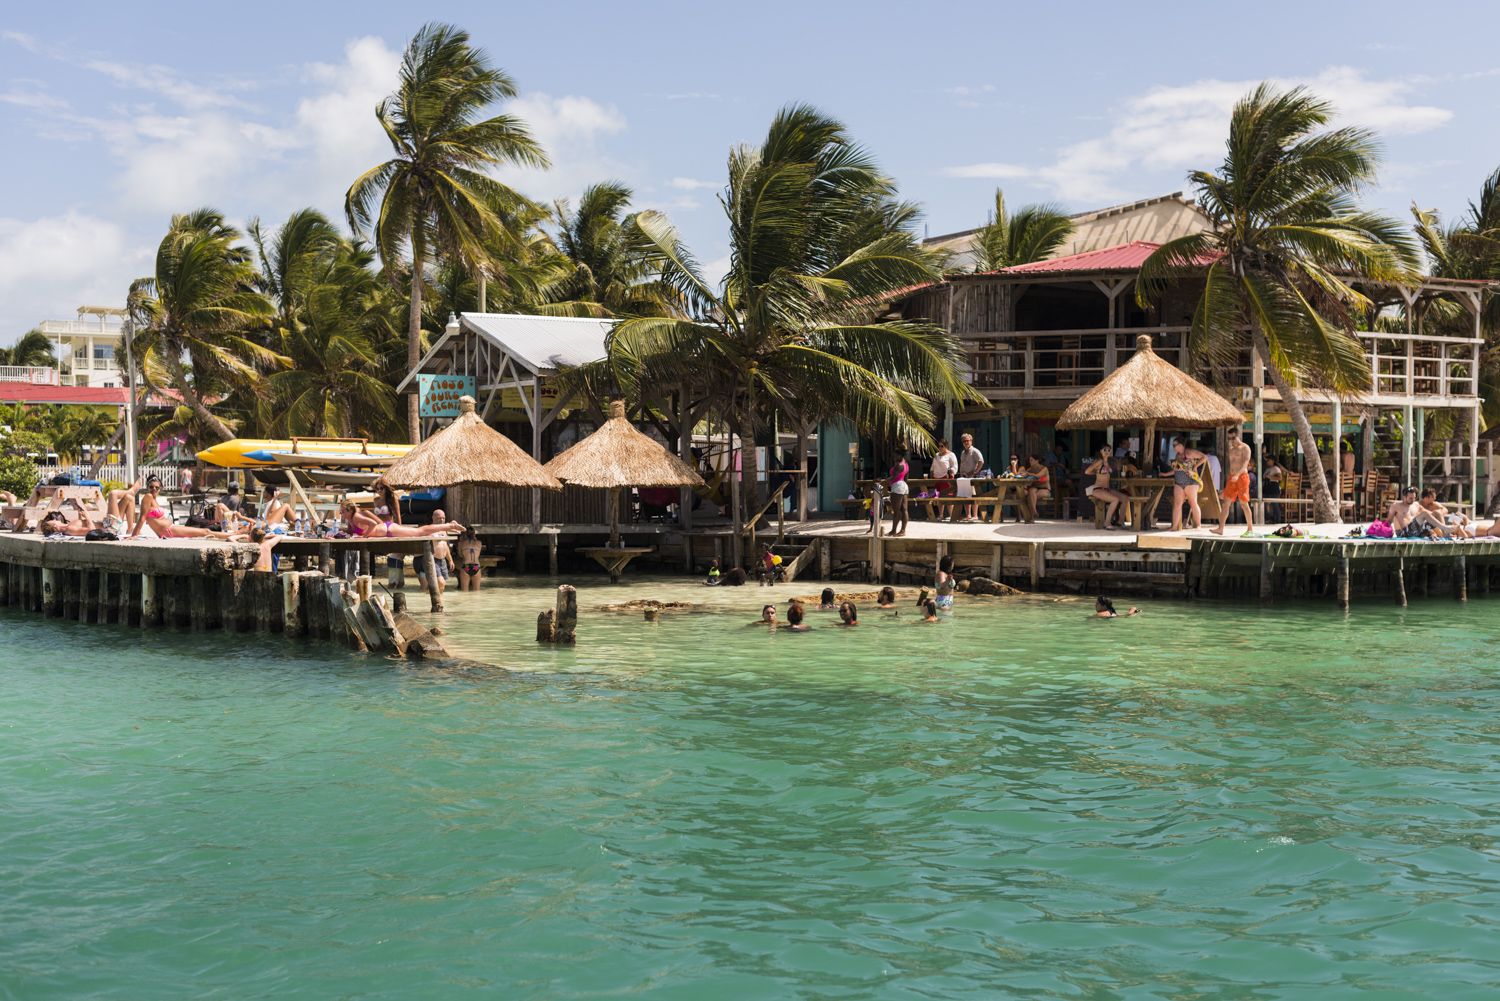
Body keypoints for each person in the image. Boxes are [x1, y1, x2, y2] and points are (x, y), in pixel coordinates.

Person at [130, 480, 246, 540]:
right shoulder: (148, 497)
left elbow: (155, 522)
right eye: (151, 487)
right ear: (147, 488)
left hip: (169, 530)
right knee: (205, 532)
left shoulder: (154, 500)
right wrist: (134, 535)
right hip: (168, 531)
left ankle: (235, 533)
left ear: (160, 489)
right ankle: (235, 534)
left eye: (157, 487)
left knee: (205, 532)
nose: (154, 489)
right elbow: (142, 518)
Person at [342, 501, 463, 540]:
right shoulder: (351, 519)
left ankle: (449, 525)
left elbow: (373, 523)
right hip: (387, 530)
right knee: (420, 532)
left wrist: (365, 537)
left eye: (342, 511)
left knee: (419, 532)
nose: (341, 514)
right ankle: (448, 527)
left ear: (349, 511)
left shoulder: (356, 517)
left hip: (388, 529)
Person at [1213, 427, 1254, 536]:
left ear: (1238, 436)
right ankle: (1220, 528)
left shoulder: (1245, 448)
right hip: (1232, 478)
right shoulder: (1230, 449)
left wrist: (1237, 475)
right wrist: (1231, 477)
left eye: (1233, 438)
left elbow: (1245, 463)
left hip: (1242, 477)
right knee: (1226, 503)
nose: (1231, 440)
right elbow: (1232, 465)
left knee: (1244, 504)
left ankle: (1250, 529)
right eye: (1229, 438)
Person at [1165, 439, 1208, 531]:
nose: (1173, 447)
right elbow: (1176, 469)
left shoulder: (1189, 452)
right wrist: (1164, 474)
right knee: (1177, 504)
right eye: (1173, 445)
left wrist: (1195, 466)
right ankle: (1174, 526)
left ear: (1181, 445)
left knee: (1193, 503)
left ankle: (1198, 525)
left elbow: (1204, 457)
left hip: (1190, 482)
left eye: (1175, 445)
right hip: (1179, 482)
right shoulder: (1177, 455)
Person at [1085, 446, 1129, 529]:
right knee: (1115, 500)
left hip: (1107, 489)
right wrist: (1096, 473)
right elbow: (1087, 471)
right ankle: (1107, 522)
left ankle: (1120, 521)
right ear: (1101, 451)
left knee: (1125, 498)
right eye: (1104, 450)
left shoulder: (1110, 462)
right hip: (1098, 488)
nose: (1106, 451)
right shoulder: (1099, 461)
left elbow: (1117, 468)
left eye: (1109, 450)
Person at [415, 509, 454, 591]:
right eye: (439, 518)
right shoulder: (429, 529)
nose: (442, 520)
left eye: (443, 518)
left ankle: (435, 599)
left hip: (442, 560)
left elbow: (445, 546)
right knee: (440, 582)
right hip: (433, 559)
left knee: (441, 586)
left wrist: (450, 560)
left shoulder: (444, 530)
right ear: (433, 518)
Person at [957, 432, 984, 522]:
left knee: (973, 495)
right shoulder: (963, 452)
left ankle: (975, 515)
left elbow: (981, 461)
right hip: (964, 478)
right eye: (964, 441)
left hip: (972, 477)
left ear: (971, 441)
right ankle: (968, 515)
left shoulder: (975, 451)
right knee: (965, 495)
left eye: (967, 440)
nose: (966, 442)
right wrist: (961, 473)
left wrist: (975, 471)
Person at [886, 448, 910, 537]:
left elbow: (893, 477)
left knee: (896, 511)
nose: (894, 457)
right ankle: (903, 530)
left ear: (900, 455)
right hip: (904, 485)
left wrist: (882, 480)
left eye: (895, 455)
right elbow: (906, 478)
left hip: (897, 486)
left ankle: (893, 530)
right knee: (904, 510)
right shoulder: (906, 464)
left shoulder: (898, 465)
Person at [929, 439, 958, 506]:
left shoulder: (951, 455)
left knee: (948, 497)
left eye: (942, 446)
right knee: (938, 498)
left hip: (946, 478)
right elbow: (933, 466)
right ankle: (941, 513)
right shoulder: (936, 455)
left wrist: (951, 472)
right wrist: (931, 474)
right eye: (939, 446)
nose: (940, 448)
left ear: (946, 446)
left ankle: (950, 513)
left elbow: (954, 466)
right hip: (936, 478)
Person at [1023, 454, 1050, 519]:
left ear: (1037, 461)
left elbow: (1038, 476)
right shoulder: (1029, 469)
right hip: (1034, 488)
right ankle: (1034, 512)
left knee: (1030, 496)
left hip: (1044, 489)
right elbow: (1024, 477)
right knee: (1031, 491)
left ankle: (1031, 516)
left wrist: (1028, 474)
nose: (1030, 462)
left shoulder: (1044, 468)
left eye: (1032, 460)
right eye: (1029, 460)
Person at [1263, 455, 1284, 522]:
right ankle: (1268, 518)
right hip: (1267, 488)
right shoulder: (1267, 469)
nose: (1267, 462)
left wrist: (1270, 477)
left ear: (1272, 461)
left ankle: (1277, 520)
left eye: (1268, 460)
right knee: (1265, 504)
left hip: (1273, 488)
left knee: (1275, 504)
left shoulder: (1276, 469)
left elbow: (1280, 478)